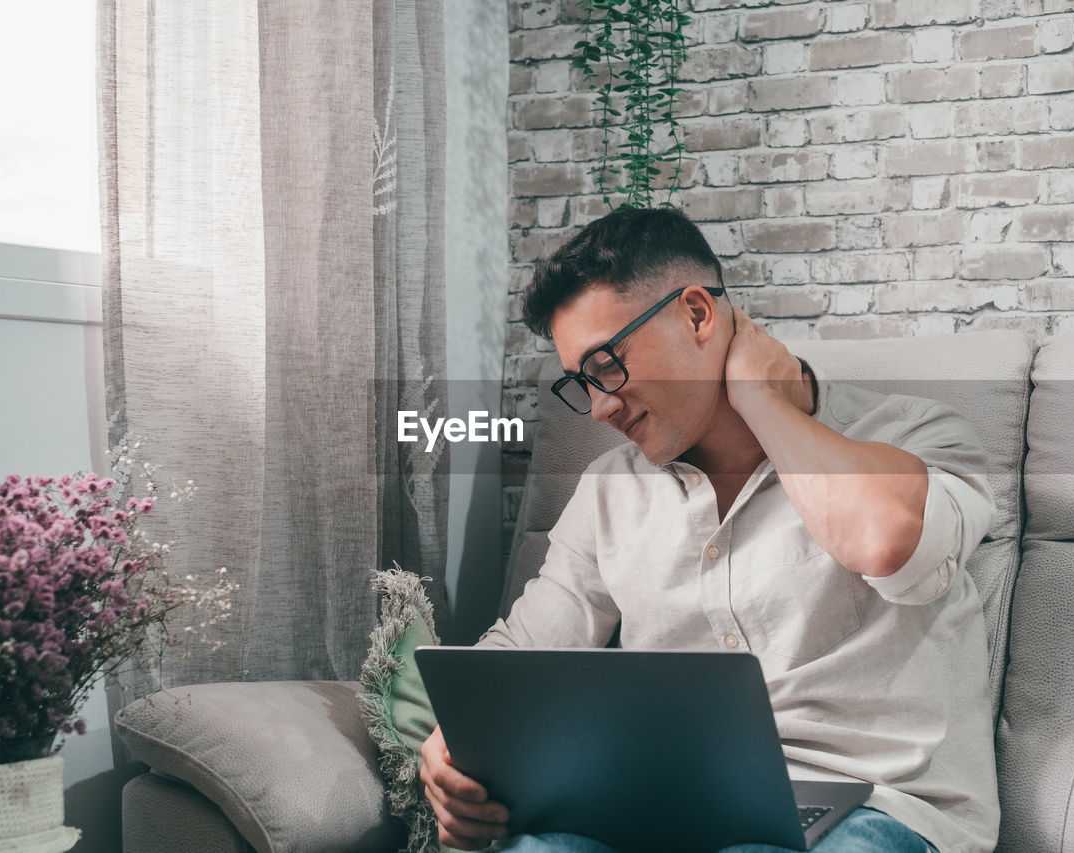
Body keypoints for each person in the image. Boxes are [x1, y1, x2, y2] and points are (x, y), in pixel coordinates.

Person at [420, 207, 999, 853]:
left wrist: (762, 400)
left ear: (698, 314)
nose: (600, 407)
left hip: (870, 812)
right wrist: (449, 746)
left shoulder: (917, 435)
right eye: (581, 382)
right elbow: (517, 658)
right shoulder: (609, 489)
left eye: (607, 363)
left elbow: (885, 542)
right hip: (662, 809)